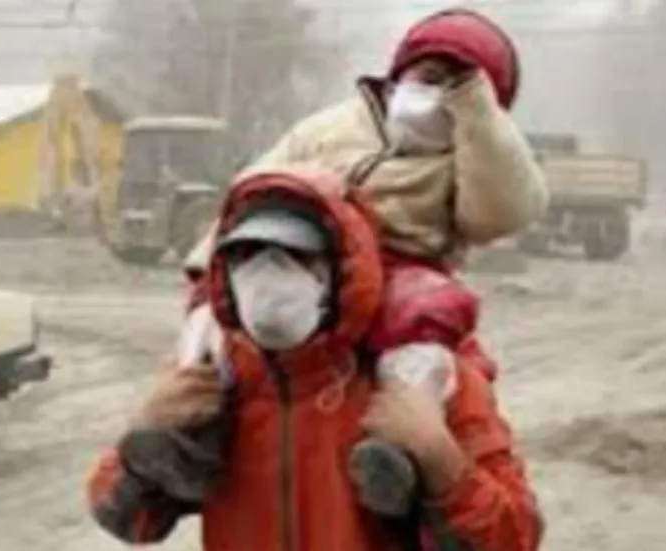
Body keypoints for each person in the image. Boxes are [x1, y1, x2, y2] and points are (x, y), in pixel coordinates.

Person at [168, 6, 548, 519]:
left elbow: (503, 211)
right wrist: (209, 268)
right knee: (221, 319)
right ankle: (187, 436)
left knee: (426, 330)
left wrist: (475, 115)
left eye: (458, 84)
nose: (437, 92)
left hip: (401, 270)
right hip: (309, 252)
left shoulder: (469, 161)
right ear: (397, 73)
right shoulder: (332, 127)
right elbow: (254, 186)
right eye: (427, 75)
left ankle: (398, 456)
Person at [87, 167, 542, 551]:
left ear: (340, 268)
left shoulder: (421, 381)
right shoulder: (209, 379)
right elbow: (127, 521)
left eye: (295, 256)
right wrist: (142, 435)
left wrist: (440, 459)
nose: (268, 275)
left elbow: (515, 537)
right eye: (247, 255)